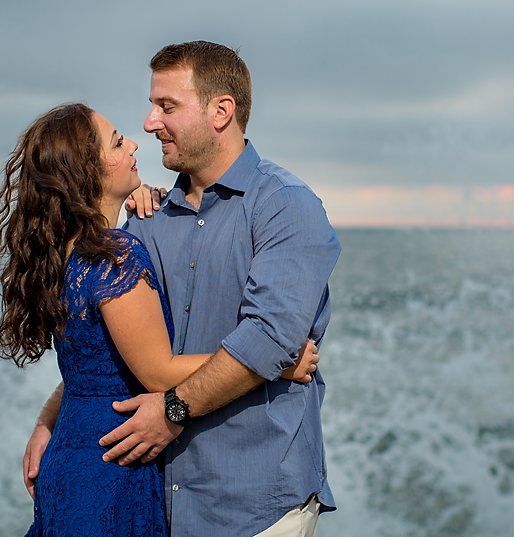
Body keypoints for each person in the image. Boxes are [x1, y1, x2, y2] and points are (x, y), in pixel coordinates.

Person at [24, 41, 342, 536]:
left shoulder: (285, 205)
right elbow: (113, 352)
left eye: (166, 106)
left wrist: (172, 410)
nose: (150, 123)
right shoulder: (145, 223)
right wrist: (51, 417)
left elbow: (271, 338)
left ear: (220, 111)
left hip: (255, 504)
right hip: (159, 500)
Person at [0, 103, 318, 536]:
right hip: (113, 466)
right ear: (86, 172)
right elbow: (156, 372)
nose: (134, 140)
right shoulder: (116, 256)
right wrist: (275, 365)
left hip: (74, 453)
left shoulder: (65, 255)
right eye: (116, 142)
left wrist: (45, 423)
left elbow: (97, 363)